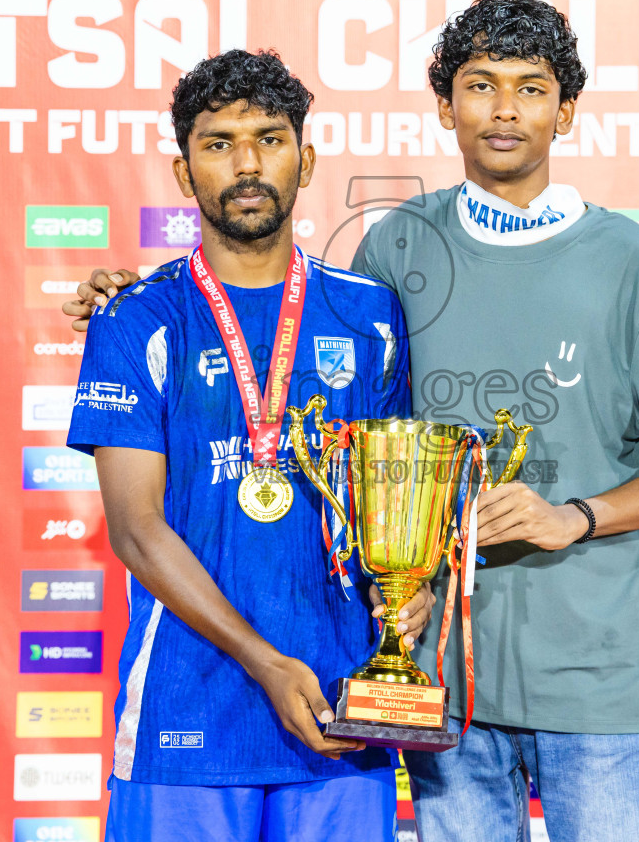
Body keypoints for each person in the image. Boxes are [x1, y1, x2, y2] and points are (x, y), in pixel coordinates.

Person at [67, 0, 639, 842]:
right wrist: (125, 298)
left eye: (530, 88)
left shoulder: (610, 263)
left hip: (548, 679)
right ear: (446, 106)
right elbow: (150, 515)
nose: (505, 110)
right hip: (407, 683)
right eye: (480, 85)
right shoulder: (384, 256)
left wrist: (567, 520)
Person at [66, 48, 432, 842]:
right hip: (185, 713)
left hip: (341, 707)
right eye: (218, 143)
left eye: (269, 139)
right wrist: (264, 661)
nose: (246, 164)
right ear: (182, 171)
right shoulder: (135, 317)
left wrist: (408, 591)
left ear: (306, 160)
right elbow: (136, 529)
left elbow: (391, 509)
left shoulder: (370, 315)